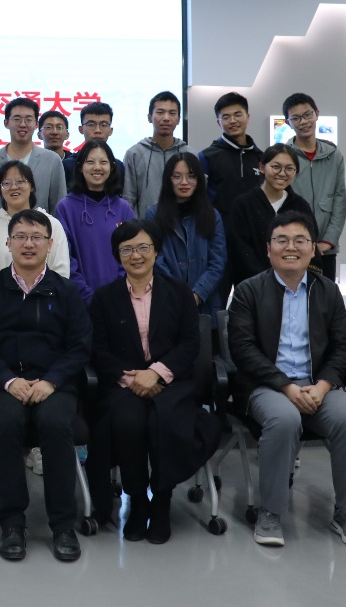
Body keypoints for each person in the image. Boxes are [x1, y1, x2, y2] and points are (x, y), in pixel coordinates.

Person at [228, 211, 346, 549]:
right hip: (267, 386)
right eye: (282, 240)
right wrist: (287, 387)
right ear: (268, 249)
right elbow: (243, 350)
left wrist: (322, 386)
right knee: (284, 419)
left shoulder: (328, 291)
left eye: (299, 241)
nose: (290, 247)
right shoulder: (248, 291)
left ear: (312, 249)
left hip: (318, 385)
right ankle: (270, 512)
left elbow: (343, 348)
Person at [0, 209, 92, 563]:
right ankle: (12, 523)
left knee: (55, 423)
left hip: (54, 383)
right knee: (6, 422)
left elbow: (80, 345)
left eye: (36, 237)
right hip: (5, 382)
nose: (28, 244)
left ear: (50, 245)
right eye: (20, 237)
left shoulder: (65, 291)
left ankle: (63, 525)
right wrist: (8, 380)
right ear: (8, 243)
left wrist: (52, 380)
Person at [87, 219, 219, 544]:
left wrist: (157, 372)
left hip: (171, 381)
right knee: (128, 422)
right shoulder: (104, 298)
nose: (136, 255)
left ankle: (161, 501)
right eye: (127, 249)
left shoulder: (178, 292)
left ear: (156, 251)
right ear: (118, 256)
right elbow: (97, 349)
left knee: (166, 420)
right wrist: (133, 378)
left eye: (143, 247)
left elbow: (190, 342)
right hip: (125, 383)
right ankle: (137, 502)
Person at [145, 152, 227, 316]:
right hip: (168, 300)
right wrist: (180, 294)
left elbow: (218, 262)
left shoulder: (212, 215)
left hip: (206, 302)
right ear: (168, 180)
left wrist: (197, 294)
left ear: (199, 180)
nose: (184, 182)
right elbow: (156, 259)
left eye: (191, 176)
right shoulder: (154, 215)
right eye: (177, 176)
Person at [56, 139, 136, 305]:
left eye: (103, 162)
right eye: (90, 162)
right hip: (80, 301)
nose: (97, 167)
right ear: (80, 167)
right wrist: (87, 296)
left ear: (112, 167)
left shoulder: (123, 208)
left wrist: (119, 291)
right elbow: (65, 258)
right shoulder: (65, 208)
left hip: (121, 299)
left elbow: (134, 254)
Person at [227, 144, 314, 287]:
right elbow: (240, 251)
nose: (282, 173)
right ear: (262, 167)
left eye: (289, 169)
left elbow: (309, 247)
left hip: (294, 286)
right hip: (252, 287)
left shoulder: (300, 206)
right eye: (276, 167)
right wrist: (268, 283)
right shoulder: (243, 204)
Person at [0, 98, 67, 227]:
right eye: (17, 119)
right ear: (6, 123)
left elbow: (59, 208)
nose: (23, 124)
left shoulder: (52, 161)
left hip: (39, 237)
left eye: (28, 119)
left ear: (36, 124)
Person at [283, 93, 346, 280]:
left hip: (325, 249)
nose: (303, 122)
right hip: (292, 248)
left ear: (317, 114)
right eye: (296, 118)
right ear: (288, 122)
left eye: (307, 115)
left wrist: (327, 242)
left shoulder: (334, 155)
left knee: (325, 295)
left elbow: (339, 200)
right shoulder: (284, 156)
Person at [0, 160, 72, 281]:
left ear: (31, 186)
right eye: (6, 183)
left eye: (20, 182)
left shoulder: (52, 224)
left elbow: (61, 270)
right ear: (0, 190)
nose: (14, 187)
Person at [122, 91, 187, 218]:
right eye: (160, 112)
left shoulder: (189, 154)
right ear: (149, 117)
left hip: (181, 225)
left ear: (179, 119)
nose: (166, 118)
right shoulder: (134, 154)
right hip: (145, 226)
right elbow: (128, 199)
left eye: (172, 113)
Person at [198, 91, 263, 218]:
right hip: (219, 227)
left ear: (248, 117)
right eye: (226, 117)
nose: (233, 121)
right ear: (219, 123)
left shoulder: (261, 157)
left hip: (256, 227)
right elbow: (199, 199)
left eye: (238, 115)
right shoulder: (206, 157)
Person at [61, 102, 126, 188]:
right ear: (81, 129)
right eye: (91, 125)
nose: (97, 130)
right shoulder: (67, 166)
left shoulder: (119, 166)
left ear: (111, 131)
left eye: (103, 125)